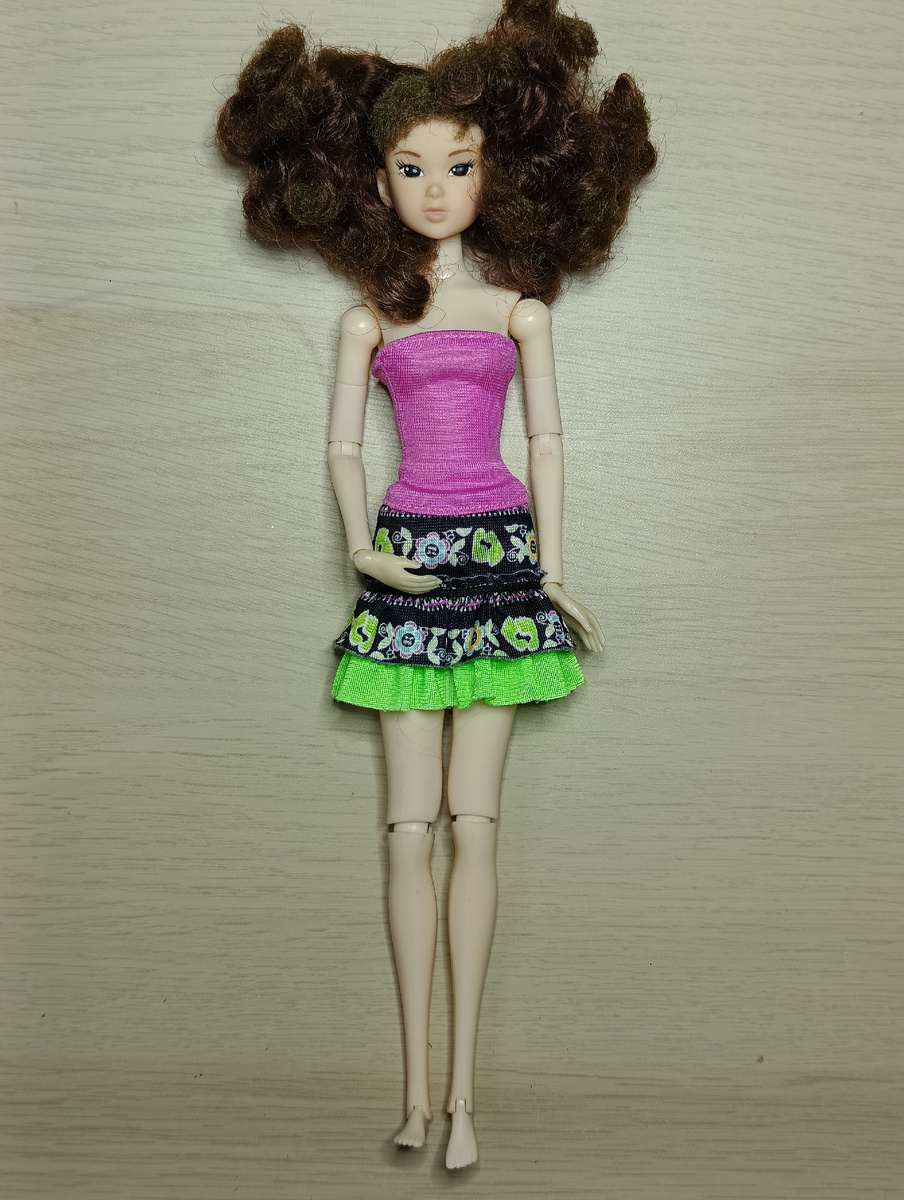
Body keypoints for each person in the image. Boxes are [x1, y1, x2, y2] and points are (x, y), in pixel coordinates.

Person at [217, 0, 655, 1168]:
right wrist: (361, 549)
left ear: (494, 173)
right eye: (411, 167)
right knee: (405, 828)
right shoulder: (370, 321)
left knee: (473, 820)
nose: (435, 187)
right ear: (377, 181)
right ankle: (415, 1095)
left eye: (457, 164)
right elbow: (340, 450)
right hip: (406, 562)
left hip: (499, 564)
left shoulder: (519, 311)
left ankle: (463, 1101)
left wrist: (552, 568)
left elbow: (550, 444)